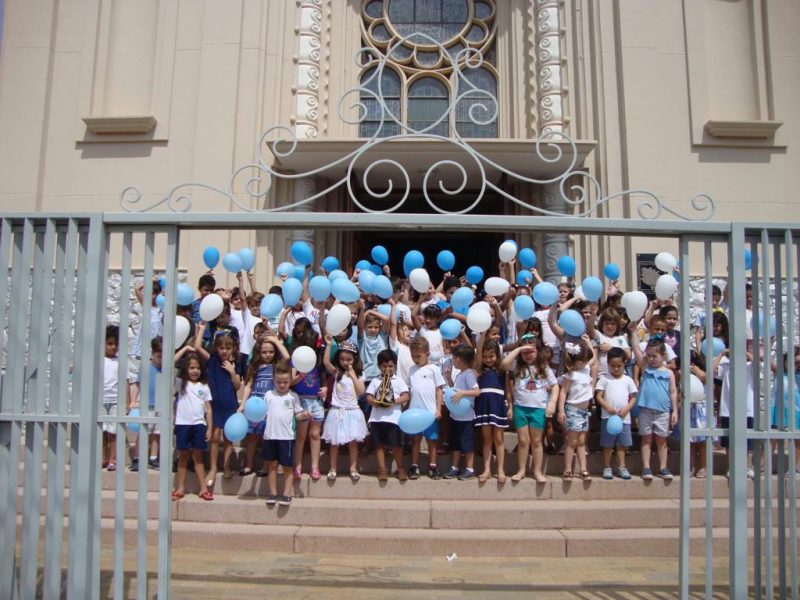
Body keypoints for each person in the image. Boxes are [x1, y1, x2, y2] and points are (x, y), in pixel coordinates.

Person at [501, 334, 559, 483]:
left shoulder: (543, 367)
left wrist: (552, 403)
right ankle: (521, 470)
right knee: (522, 440)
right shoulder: (516, 365)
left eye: (531, 351)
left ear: (538, 351)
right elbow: (504, 364)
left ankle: (537, 471)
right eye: (524, 352)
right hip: (521, 408)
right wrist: (519, 348)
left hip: (538, 409)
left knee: (537, 441)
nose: (527, 355)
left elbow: (555, 386)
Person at [192, 329, 246, 487]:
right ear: (217, 348)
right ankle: (214, 468)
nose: (224, 351)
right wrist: (201, 329)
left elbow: (237, 386)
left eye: (228, 348)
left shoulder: (235, 363)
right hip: (214, 404)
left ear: (233, 349)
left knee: (228, 437)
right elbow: (197, 347)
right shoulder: (213, 360)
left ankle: (227, 466)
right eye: (221, 348)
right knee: (215, 436)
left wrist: (232, 372)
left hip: (229, 403)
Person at [631, 329, 679, 480]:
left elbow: (673, 392)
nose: (651, 359)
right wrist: (633, 333)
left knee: (661, 440)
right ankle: (646, 467)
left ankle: (663, 467)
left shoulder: (669, 373)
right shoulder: (646, 369)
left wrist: (675, 411)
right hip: (646, 410)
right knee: (646, 439)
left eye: (655, 356)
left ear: (663, 356)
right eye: (649, 356)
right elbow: (637, 350)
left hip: (663, 411)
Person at [239, 336, 289, 476]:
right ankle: (249, 464)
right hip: (254, 406)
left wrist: (275, 341)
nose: (268, 355)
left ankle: (266, 467)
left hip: (270, 407)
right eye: (264, 352)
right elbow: (248, 385)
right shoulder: (254, 367)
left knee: (268, 438)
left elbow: (286, 356)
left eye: (271, 352)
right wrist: (243, 403)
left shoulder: (277, 366)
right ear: (258, 352)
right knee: (252, 437)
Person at [262, 361, 310, 506]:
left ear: (290, 381)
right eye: (279, 382)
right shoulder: (268, 395)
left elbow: (298, 414)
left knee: (288, 467)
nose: (282, 385)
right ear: (274, 381)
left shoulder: (293, 396)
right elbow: (261, 413)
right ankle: (272, 493)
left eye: (285, 382)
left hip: (287, 437)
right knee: (272, 465)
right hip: (270, 436)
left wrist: (305, 415)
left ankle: (287, 493)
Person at [321, 338, 368, 480]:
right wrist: (329, 345)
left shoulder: (360, 374)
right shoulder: (337, 372)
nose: (345, 362)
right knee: (334, 442)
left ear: (355, 359)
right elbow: (326, 363)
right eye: (342, 359)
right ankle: (332, 467)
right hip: (337, 411)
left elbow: (361, 392)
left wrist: (353, 376)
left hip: (353, 411)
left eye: (349, 359)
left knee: (353, 442)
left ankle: (353, 467)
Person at [172, 354, 214, 501]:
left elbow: (208, 409)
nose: (195, 371)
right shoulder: (180, 383)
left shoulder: (204, 387)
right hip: (183, 424)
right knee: (183, 456)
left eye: (197, 368)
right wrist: (186, 349)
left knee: (198, 457)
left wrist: (209, 428)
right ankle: (180, 487)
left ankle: (203, 489)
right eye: (191, 368)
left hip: (199, 425)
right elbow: (170, 362)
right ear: (186, 369)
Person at [365, 349, 410, 481]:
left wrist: (392, 402)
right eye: (384, 366)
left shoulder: (398, 381)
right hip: (377, 419)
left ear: (395, 366)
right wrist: (376, 402)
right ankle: (382, 469)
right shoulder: (375, 381)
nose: (387, 369)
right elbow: (368, 397)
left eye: (390, 366)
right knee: (379, 445)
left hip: (393, 419)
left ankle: (400, 468)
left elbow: (406, 395)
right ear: (379, 366)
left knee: (396, 445)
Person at [557, 334, 596, 480]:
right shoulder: (571, 375)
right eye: (584, 360)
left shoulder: (585, 369)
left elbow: (593, 359)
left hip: (584, 411)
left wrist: (588, 342)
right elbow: (563, 392)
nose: (586, 362)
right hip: (573, 410)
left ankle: (583, 469)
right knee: (571, 441)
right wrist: (561, 410)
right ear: (579, 361)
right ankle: (568, 469)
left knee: (581, 442)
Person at [595, 347, 638, 480]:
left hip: (624, 419)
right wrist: (607, 407)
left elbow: (634, 397)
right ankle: (607, 467)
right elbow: (598, 396)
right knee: (607, 445)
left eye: (619, 365)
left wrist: (626, 409)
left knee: (621, 444)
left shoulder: (628, 380)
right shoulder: (604, 379)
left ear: (624, 363)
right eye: (612, 366)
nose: (616, 368)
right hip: (608, 418)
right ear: (608, 364)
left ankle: (622, 467)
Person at [407, 336, 446, 480]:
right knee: (416, 440)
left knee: (431, 440)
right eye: (413, 356)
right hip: (414, 413)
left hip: (430, 413)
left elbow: (439, 390)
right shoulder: (411, 369)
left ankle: (433, 466)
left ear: (427, 354)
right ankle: (414, 466)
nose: (416, 359)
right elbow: (410, 390)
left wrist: (438, 409)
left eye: (419, 356)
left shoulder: (434, 369)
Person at [473, 329, 510, 483]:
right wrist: (482, 335)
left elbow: (508, 391)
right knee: (486, 439)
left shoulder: (502, 370)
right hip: (484, 404)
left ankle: (500, 469)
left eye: (492, 356)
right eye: (485, 356)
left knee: (499, 439)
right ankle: (486, 469)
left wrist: (511, 406)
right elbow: (478, 353)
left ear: (497, 355)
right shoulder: (479, 369)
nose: (488, 359)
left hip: (498, 405)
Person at [443, 344, 479, 480]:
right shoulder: (460, 374)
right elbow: (455, 390)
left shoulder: (469, 374)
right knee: (456, 443)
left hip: (466, 418)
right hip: (456, 416)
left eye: (453, 357)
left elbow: (476, 391)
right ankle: (455, 467)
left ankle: (470, 468)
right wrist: (449, 379)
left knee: (467, 444)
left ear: (458, 359)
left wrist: (463, 393)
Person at [128, 336, 163, 471]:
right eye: (159, 356)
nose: (161, 360)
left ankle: (153, 458)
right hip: (146, 404)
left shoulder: (165, 369)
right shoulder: (146, 368)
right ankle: (137, 457)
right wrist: (132, 401)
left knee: (156, 433)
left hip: (160, 404)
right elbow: (137, 385)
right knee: (143, 432)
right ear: (153, 354)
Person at [101, 325, 130, 471]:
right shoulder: (99, 360)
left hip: (115, 401)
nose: (113, 347)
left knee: (113, 432)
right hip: (100, 400)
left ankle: (112, 459)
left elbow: (125, 382)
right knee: (102, 431)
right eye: (110, 343)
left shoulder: (120, 362)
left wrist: (127, 402)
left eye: (116, 344)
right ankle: (102, 457)